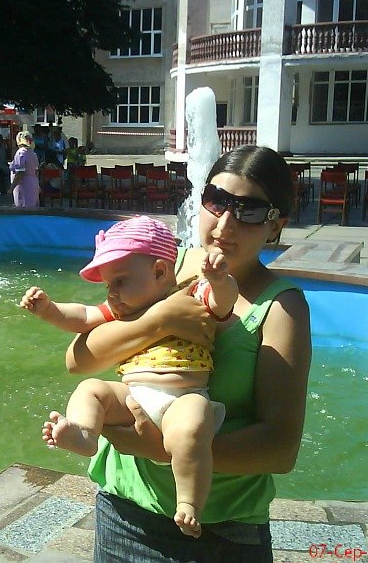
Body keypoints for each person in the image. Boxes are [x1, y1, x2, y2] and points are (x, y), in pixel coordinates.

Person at [68, 145, 311, 561]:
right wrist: (158, 320)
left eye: (250, 210)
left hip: (223, 530)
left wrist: (166, 450)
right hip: (124, 511)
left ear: (276, 225)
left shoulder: (280, 307)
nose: (225, 223)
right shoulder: (163, 266)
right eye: (217, 201)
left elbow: (280, 448)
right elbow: (78, 359)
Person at [21, 216, 238, 537]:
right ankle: (84, 435)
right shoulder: (120, 309)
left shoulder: (191, 294)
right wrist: (49, 310)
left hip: (184, 397)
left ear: (160, 271)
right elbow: (83, 316)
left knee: (192, 428)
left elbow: (223, 303)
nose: (112, 293)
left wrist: (219, 281)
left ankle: (189, 503)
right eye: (108, 285)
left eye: (120, 281)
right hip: (134, 396)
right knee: (91, 389)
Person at [9, 131, 40, 208]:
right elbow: (36, 171)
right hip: (33, 183)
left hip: (24, 185)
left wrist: (11, 188)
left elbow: (20, 173)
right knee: (32, 208)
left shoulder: (20, 153)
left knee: (23, 208)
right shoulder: (33, 153)